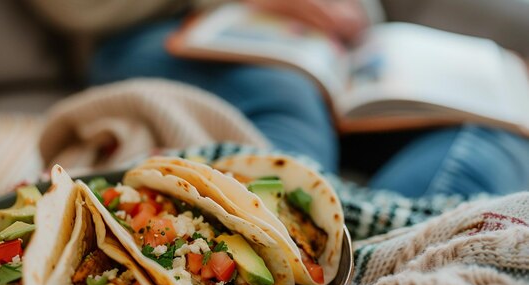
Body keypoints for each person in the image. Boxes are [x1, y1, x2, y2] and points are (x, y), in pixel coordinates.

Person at [26, 0, 529, 197]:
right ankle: (291, 244)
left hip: (325, 49)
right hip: (167, 32)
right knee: (287, 97)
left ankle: (385, 251)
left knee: (485, 124)